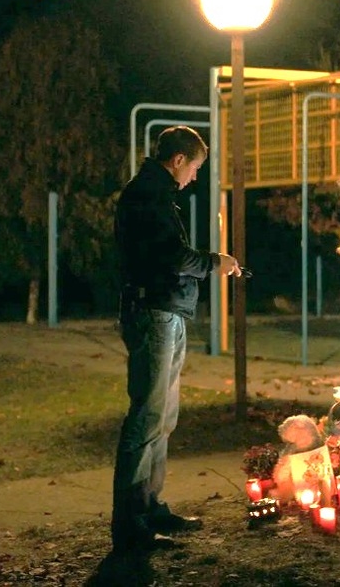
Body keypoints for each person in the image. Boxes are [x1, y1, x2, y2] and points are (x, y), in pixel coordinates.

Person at [111, 125, 242, 553]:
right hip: (154, 312)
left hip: (166, 311)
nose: (195, 176)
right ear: (179, 159)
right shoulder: (148, 195)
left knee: (163, 417)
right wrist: (214, 262)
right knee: (147, 417)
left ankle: (149, 506)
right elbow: (170, 255)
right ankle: (130, 523)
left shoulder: (155, 193)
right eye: (196, 167)